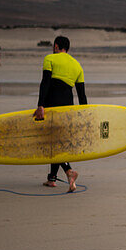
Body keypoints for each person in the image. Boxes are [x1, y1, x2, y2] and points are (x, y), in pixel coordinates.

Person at [33, 36, 87, 192]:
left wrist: (40, 105)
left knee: (52, 141)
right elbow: (82, 96)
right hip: (67, 107)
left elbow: (46, 83)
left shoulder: (50, 58)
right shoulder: (77, 65)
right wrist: (84, 114)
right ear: (67, 48)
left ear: (56, 46)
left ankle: (69, 172)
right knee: (57, 139)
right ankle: (51, 179)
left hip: (52, 104)